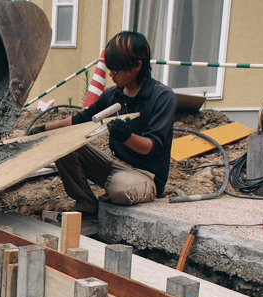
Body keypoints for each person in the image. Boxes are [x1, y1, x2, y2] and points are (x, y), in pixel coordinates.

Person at [29, 31, 176, 218]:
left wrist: (126, 136)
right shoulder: (112, 94)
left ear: (137, 66)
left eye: (117, 69)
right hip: (114, 165)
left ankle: (109, 201)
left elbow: (152, 147)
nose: (111, 74)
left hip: (146, 176)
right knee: (62, 143)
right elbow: (82, 118)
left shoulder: (162, 97)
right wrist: (44, 129)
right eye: (110, 68)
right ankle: (86, 203)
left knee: (120, 188)